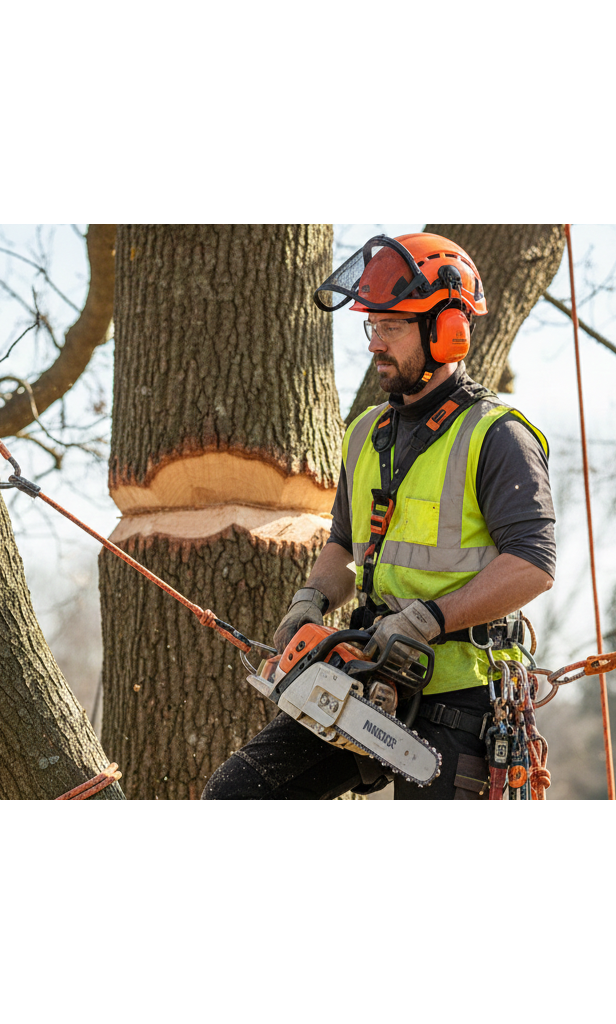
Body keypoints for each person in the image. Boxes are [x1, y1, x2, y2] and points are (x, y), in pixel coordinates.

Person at [202, 233, 556, 800]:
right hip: (368, 672)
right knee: (239, 792)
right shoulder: (366, 432)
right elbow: (345, 545)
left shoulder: (497, 435)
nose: (375, 343)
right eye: (372, 326)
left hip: (462, 691)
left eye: (391, 327)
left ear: (446, 330)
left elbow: (533, 565)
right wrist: (310, 599)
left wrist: (428, 619)